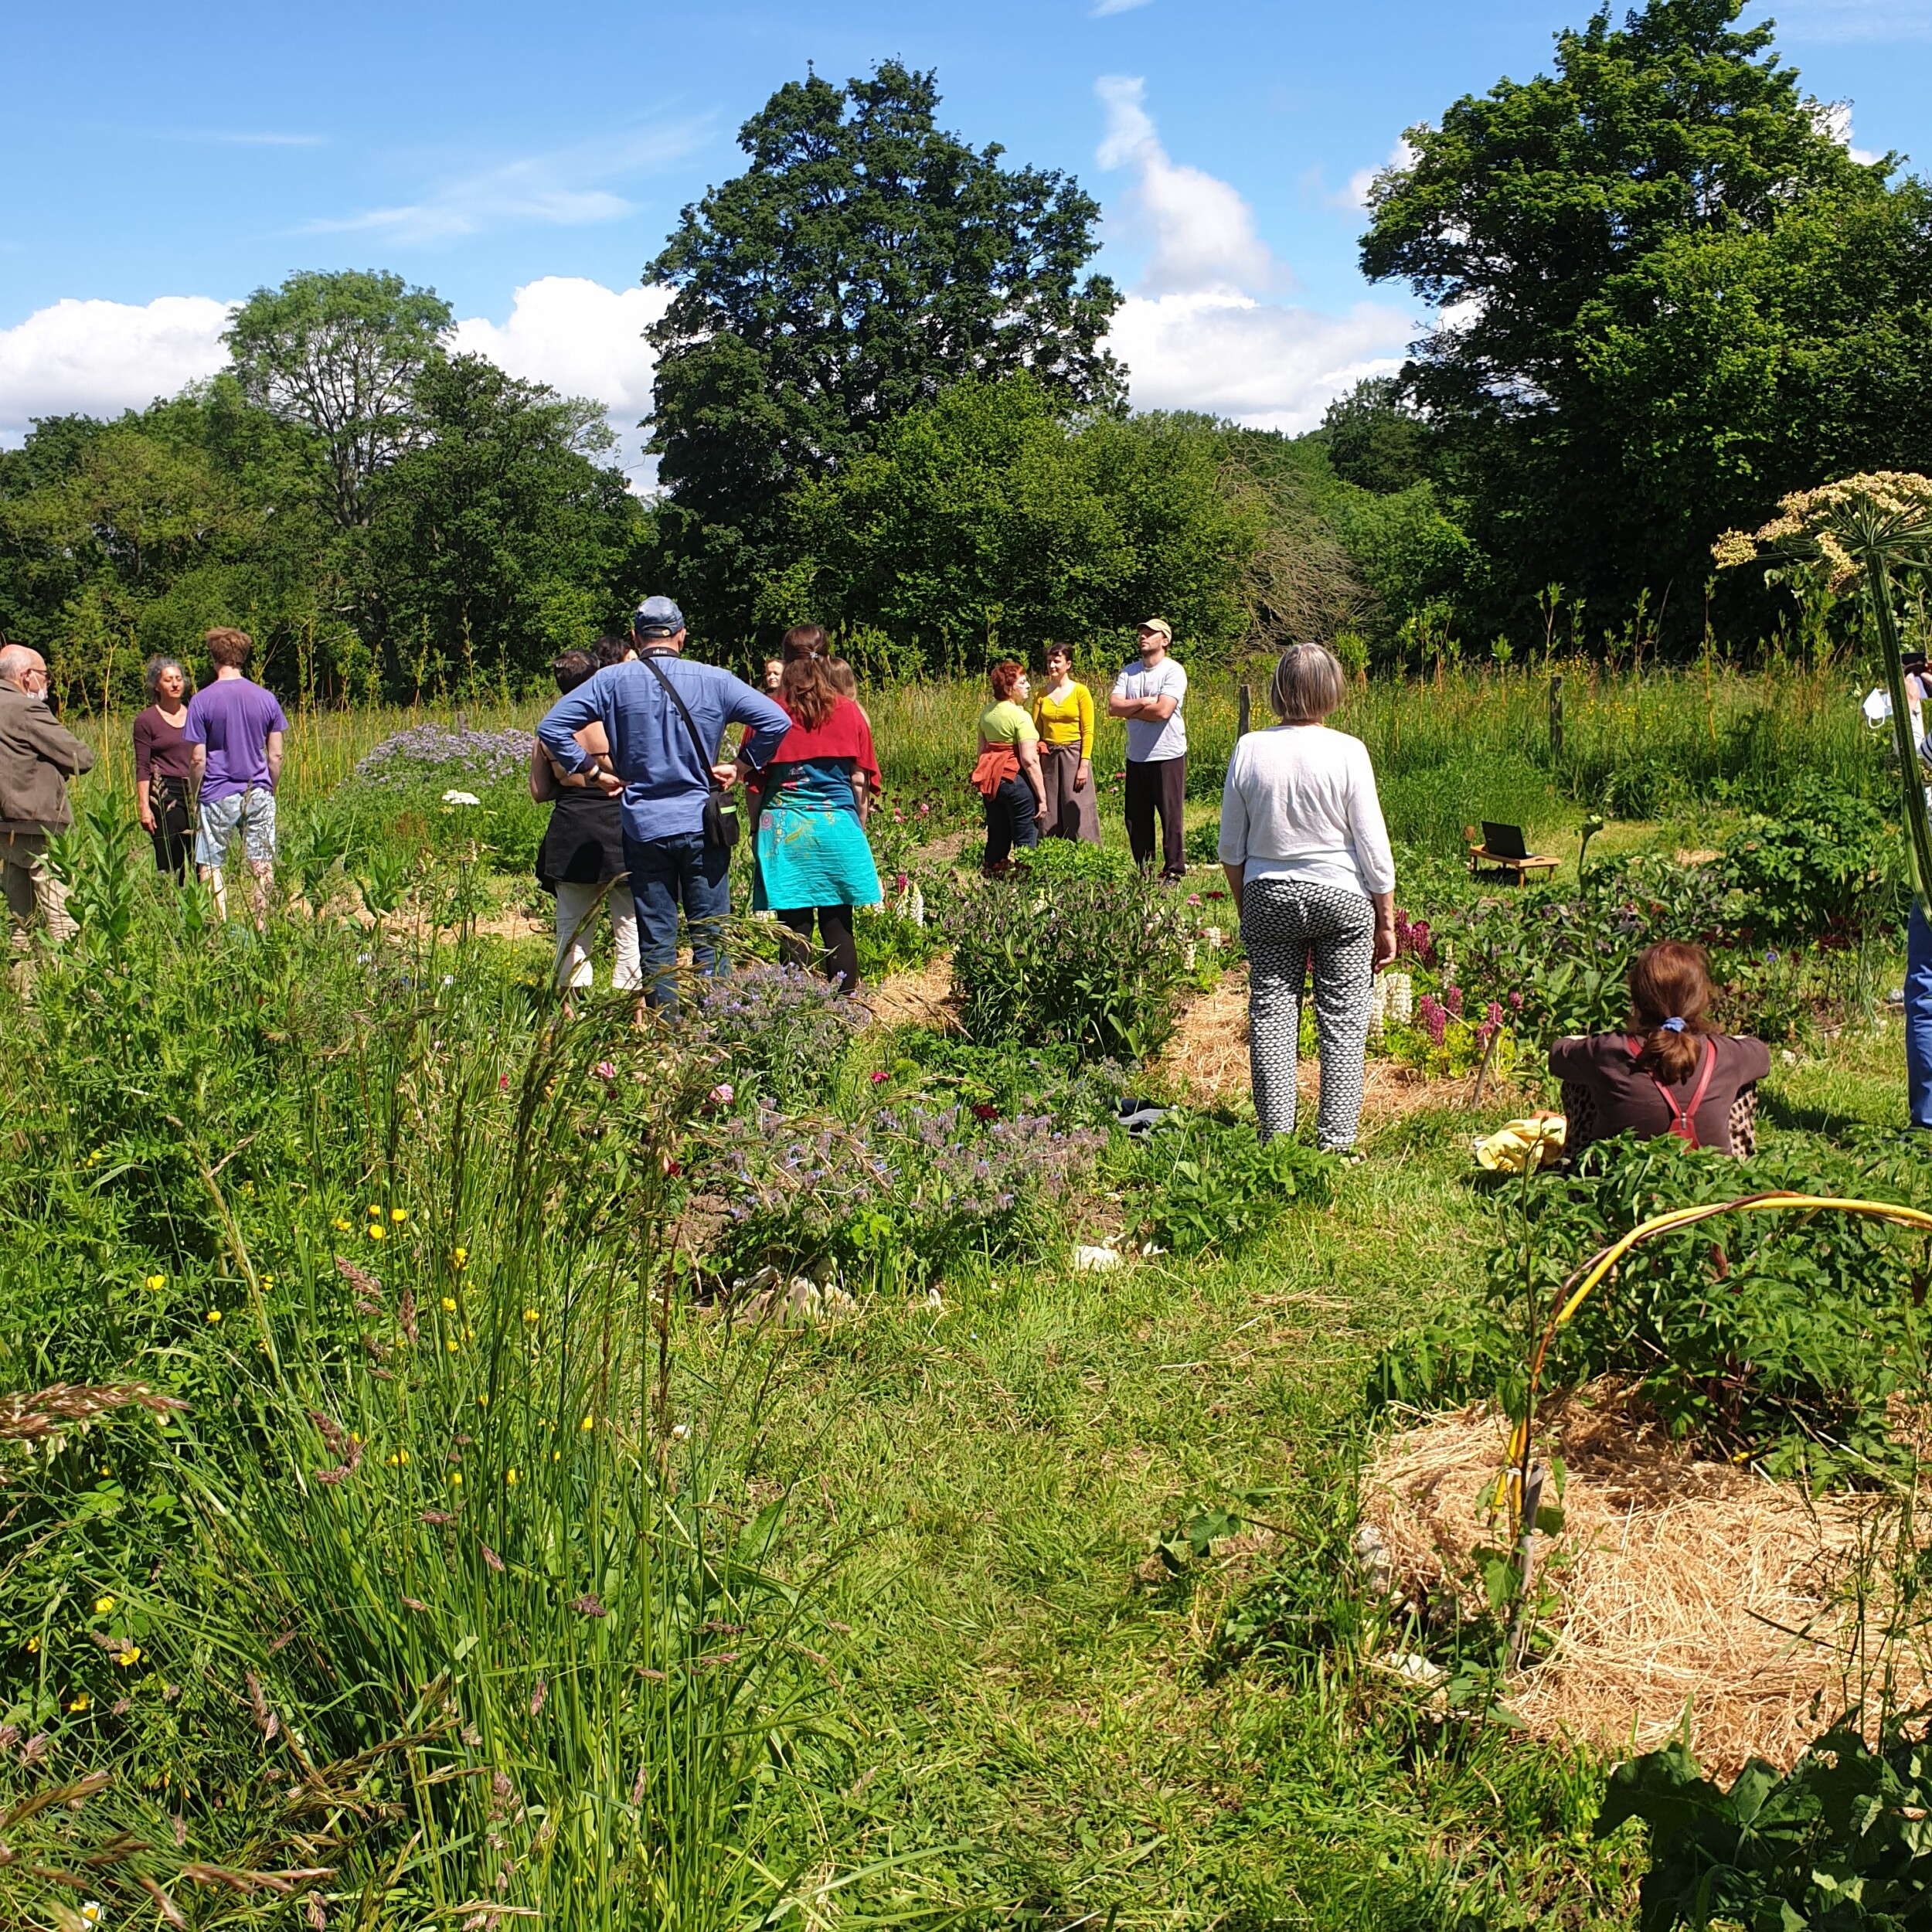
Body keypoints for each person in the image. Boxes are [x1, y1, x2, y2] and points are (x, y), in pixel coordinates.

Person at [536, 596, 789, 1010]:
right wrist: (741, 767)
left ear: (636, 636)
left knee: (656, 935)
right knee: (710, 931)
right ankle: (715, 1024)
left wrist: (595, 774)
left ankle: (665, 1028)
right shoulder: (716, 680)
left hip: (643, 825)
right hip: (701, 823)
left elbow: (552, 727)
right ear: (683, 636)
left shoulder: (611, 682)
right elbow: (776, 721)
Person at [1218, 642, 1396, 1154]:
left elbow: (1232, 846)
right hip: (1340, 897)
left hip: (1269, 894)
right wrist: (1385, 918)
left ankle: (1275, 1140)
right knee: (1343, 1019)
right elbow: (1373, 846)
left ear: (1277, 690)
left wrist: (1245, 904)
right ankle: (1336, 1144)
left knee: (1272, 1013)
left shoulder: (1250, 748)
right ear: (1332, 691)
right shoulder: (1347, 750)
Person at [1551, 942, 1770, 1159]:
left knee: (1580, 1078)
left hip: (1619, 1182)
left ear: (1637, 997)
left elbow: (1557, 1056)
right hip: (1710, 1182)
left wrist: (1583, 1041)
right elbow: (1762, 1056)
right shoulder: (1726, 1053)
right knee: (1743, 1081)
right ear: (1701, 997)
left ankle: (1576, 1163)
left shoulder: (1606, 1050)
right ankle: (1739, 1163)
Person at [753, 655, 883, 993]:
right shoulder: (848, 711)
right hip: (836, 824)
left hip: (783, 828)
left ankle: (794, 1012)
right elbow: (860, 780)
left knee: (793, 926)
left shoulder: (766, 713)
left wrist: (756, 828)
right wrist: (858, 825)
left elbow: (754, 783)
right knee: (838, 924)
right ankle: (846, 1009)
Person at [529, 648, 640, 997]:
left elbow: (539, 791)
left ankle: (569, 1009)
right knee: (631, 925)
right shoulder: (616, 724)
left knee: (572, 925)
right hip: (619, 827)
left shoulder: (549, 730)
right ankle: (635, 1009)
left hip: (571, 830)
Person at [184, 628, 287, 920]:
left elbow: (197, 759)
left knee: (212, 863)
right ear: (243, 656)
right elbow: (276, 755)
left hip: (216, 791)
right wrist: (270, 787)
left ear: (214, 657)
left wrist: (196, 794)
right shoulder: (266, 698)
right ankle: (261, 924)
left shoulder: (201, 701)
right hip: (258, 791)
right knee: (261, 861)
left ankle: (219, 929)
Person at [0, 643, 93, 949]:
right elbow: (81, 756)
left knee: (21, 923)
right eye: (45, 675)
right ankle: (71, 989)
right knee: (63, 917)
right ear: (27, 676)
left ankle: (25, 995)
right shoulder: (25, 708)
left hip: (4, 828)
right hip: (38, 824)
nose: (47, 683)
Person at [1108, 617, 1189, 879]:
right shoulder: (1128, 672)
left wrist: (1130, 710)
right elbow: (1113, 708)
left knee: (1170, 817)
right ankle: (1145, 872)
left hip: (1168, 755)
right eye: (1141, 632)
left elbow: (1163, 711)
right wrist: (1143, 702)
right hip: (1137, 756)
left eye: (1150, 633)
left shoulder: (1173, 671)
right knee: (1136, 818)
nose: (1143, 636)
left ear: (1164, 640)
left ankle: (1174, 870)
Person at [973, 661, 1047, 876]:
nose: (1028, 686)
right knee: (1025, 836)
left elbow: (981, 751)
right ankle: (1027, 882)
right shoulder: (1020, 716)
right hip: (1015, 781)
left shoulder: (987, 713)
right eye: (1022, 682)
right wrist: (1042, 797)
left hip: (993, 781)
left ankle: (992, 878)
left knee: (997, 833)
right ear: (1009, 689)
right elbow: (1029, 759)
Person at [133, 655, 195, 881]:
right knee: (171, 860)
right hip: (164, 791)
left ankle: (205, 911)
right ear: (156, 685)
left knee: (202, 858)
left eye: (179, 679)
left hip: (196, 789)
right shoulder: (146, 720)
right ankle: (172, 909)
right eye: (168, 680)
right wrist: (144, 807)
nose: (176, 684)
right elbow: (142, 765)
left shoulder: (195, 715)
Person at [1031, 645, 1097, 843]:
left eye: (1057, 661)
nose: (1052, 665)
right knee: (1050, 803)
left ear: (1068, 664)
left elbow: (1088, 731)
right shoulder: (1040, 695)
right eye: (1049, 661)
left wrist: (1083, 765)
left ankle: (1086, 849)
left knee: (1076, 801)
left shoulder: (1080, 692)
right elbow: (1036, 732)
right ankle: (1051, 847)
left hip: (1074, 753)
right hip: (1049, 755)